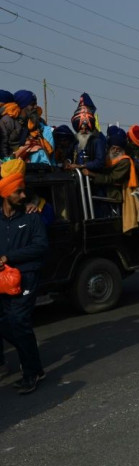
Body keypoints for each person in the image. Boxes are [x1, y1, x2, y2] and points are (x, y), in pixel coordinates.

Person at [0, 159, 49, 394]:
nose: (22, 194)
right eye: (17, 191)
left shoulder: (31, 216)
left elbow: (41, 246)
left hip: (26, 279)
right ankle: (34, 363)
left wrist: (9, 257)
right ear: (5, 193)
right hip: (2, 282)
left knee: (19, 322)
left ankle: (31, 372)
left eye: (22, 190)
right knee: (7, 325)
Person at [84, 126, 137, 215]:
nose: (115, 150)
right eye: (113, 148)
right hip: (102, 189)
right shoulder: (106, 158)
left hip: (114, 194)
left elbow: (112, 179)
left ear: (122, 150)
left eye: (118, 149)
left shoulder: (125, 162)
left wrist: (92, 174)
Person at [68, 93, 107, 173]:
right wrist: (67, 162)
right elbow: (68, 156)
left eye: (86, 128)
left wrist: (81, 166)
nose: (84, 130)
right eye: (81, 128)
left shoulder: (97, 141)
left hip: (92, 180)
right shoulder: (74, 142)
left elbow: (100, 162)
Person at [0, 90, 23, 158]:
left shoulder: (6, 119)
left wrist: (5, 160)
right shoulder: (13, 116)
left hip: (9, 160)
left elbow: (3, 143)